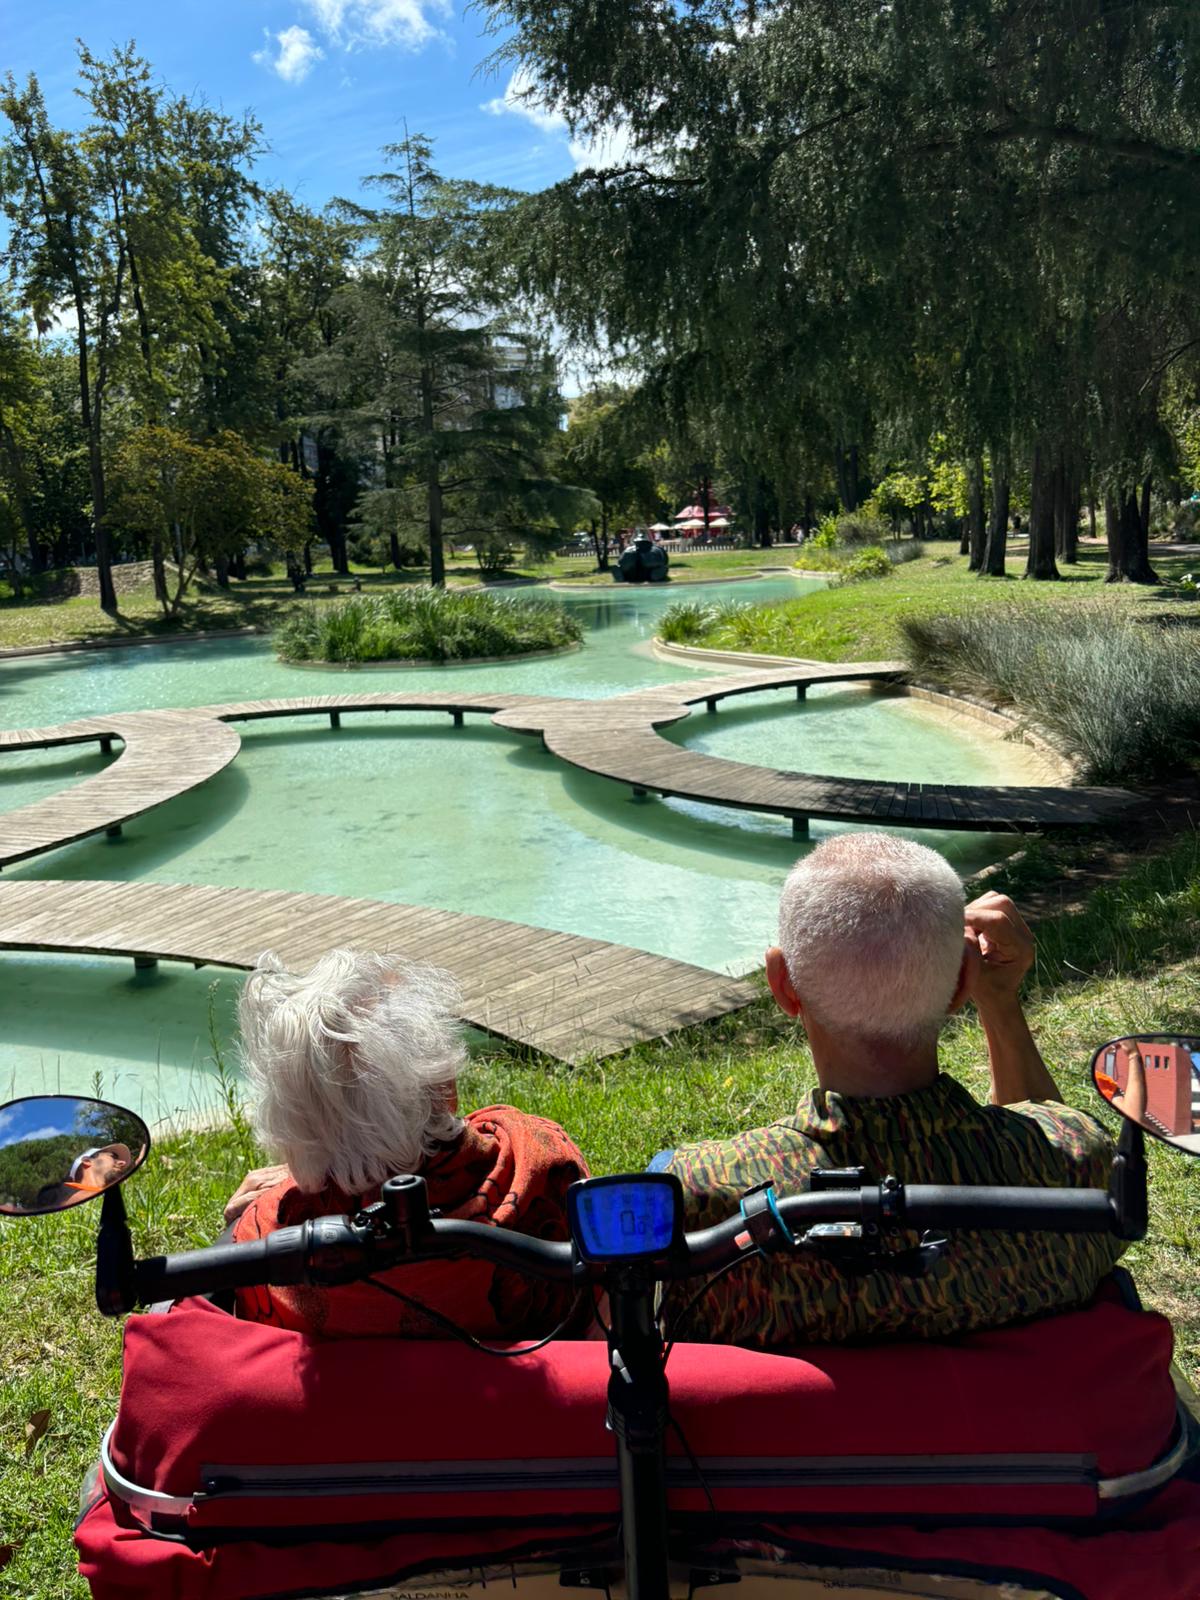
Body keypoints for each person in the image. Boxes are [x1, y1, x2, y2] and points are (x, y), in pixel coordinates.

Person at [657, 833, 1127, 1349]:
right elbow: (1041, 1128)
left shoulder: (696, 1198)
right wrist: (998, 1001)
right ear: (961, 981)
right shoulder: (1081, 1168)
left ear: (783, 984)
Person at [225, 950, 590, 1340]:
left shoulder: (263, 1246)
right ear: (444, 1090)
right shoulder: (544, 1167)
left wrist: (233, 1224)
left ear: (289, 1122)